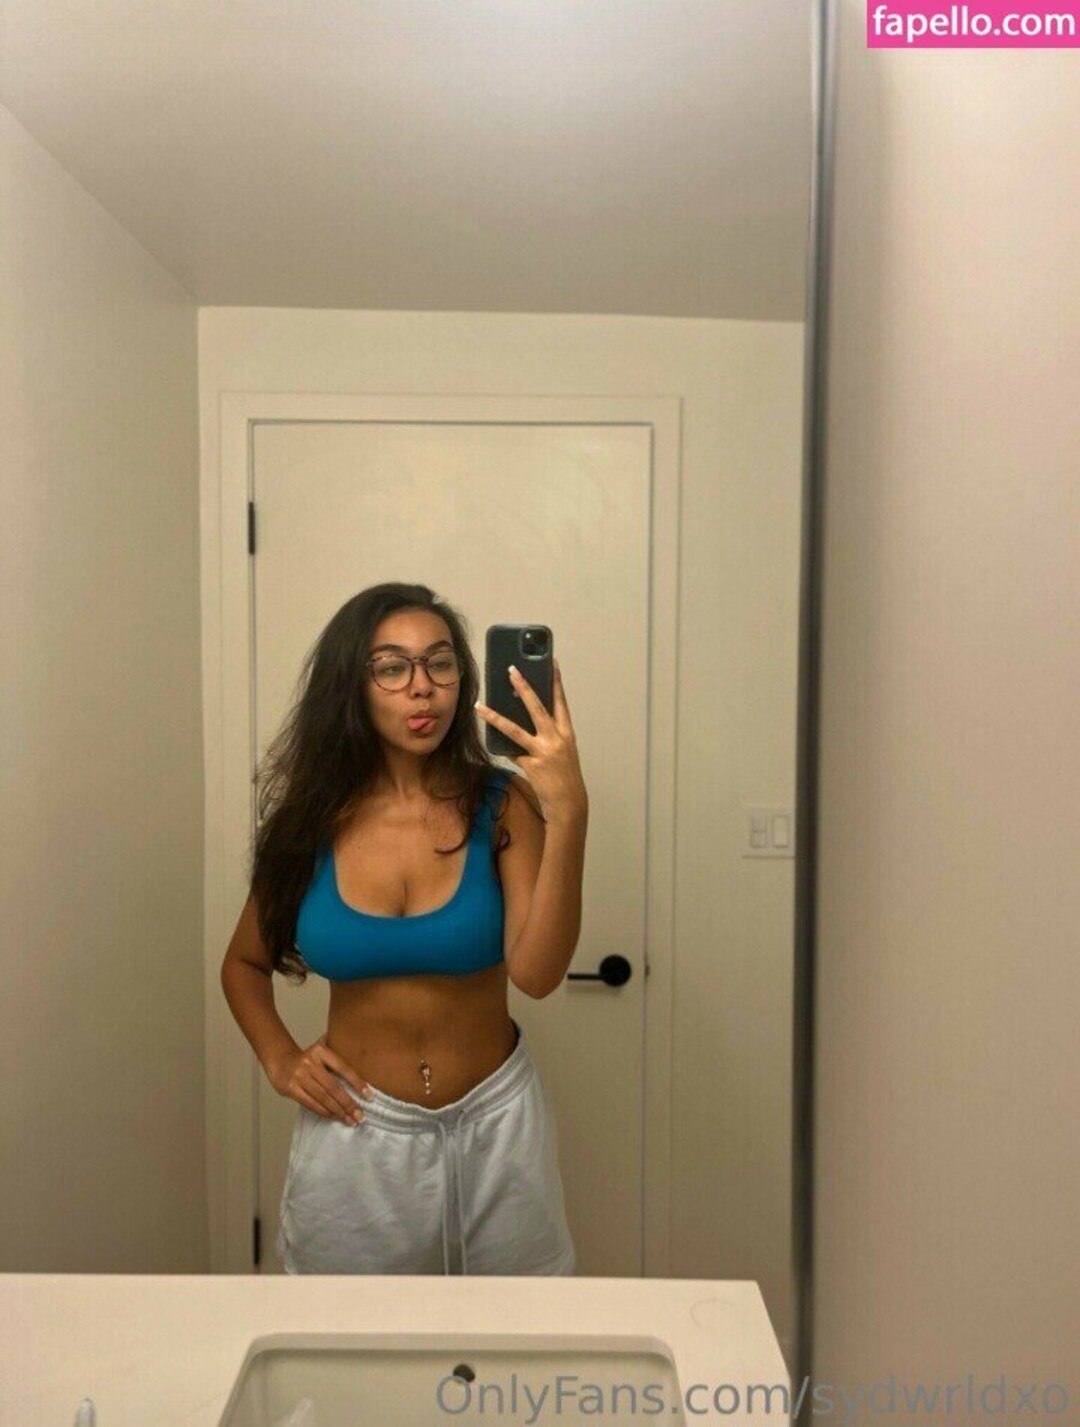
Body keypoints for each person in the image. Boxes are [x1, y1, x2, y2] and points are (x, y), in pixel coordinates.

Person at [220, 581, 588, 1275]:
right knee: (345, 1333)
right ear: (351, 687)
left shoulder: (502, 803)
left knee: (519, 1329)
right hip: (355, 1133)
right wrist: (280, 1058)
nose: (423, 687)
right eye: (392, 667)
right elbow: (242, 964)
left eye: (440, 663)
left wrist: (569, 811)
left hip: (498, 1127)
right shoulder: (308, 823)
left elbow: (538, 975)